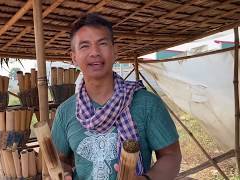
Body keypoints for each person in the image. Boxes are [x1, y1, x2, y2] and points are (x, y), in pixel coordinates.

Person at [51, 13, 181, 180]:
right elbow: (59, 160)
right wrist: (63, 172)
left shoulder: (147, 103)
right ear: (74, 57)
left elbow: (172, 155)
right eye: (84, 46)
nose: (95, 52)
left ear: (115, 51)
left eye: (102, 43)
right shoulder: (65, 111)